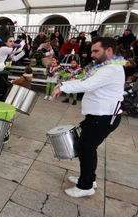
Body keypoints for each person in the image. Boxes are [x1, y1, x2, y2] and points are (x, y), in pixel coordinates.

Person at [52, 37, 124, 198]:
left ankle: (85, 186)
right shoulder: (105, 67)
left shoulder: (111, 69)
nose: (92, 54)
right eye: (92, 51)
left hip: (103, 117)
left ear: (109, 51)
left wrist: (62, 87)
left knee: (86, 149)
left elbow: (87, 85)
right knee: (87, 149)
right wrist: (63, 84)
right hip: (99, 116)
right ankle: (89, 179)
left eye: (96, 51)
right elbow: (84, 80)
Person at [0, 36, 26, 101]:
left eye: (13, 41)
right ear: (5, 42)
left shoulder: (10, 52)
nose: (13, 43)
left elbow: (15, 58)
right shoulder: (3, 49)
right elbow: (18, 49)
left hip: (5, 73)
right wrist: (23, 42)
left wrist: (24, 51)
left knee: (4, 93)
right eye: (10, 41)